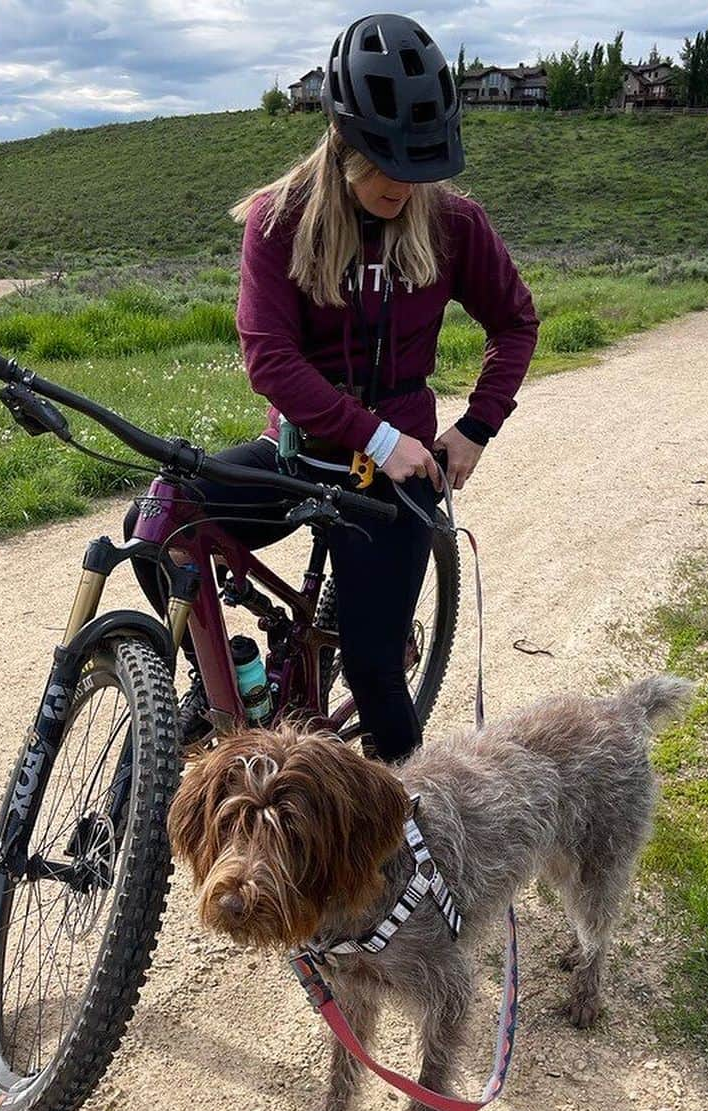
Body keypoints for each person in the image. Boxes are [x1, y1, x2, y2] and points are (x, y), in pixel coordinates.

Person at [125, 13, 538, 763]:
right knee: (160, 519)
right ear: (343, 143)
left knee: (379, 678)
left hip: (398, 480)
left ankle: (415, 849)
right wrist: (374, 436)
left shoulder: (451, 222)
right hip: (299, 456)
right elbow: (270, 361)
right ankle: (222, 680)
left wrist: (475, 429)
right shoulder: (278, 220)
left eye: (421, 167)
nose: (404, 186)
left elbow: (515, 322)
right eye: (387, 165)